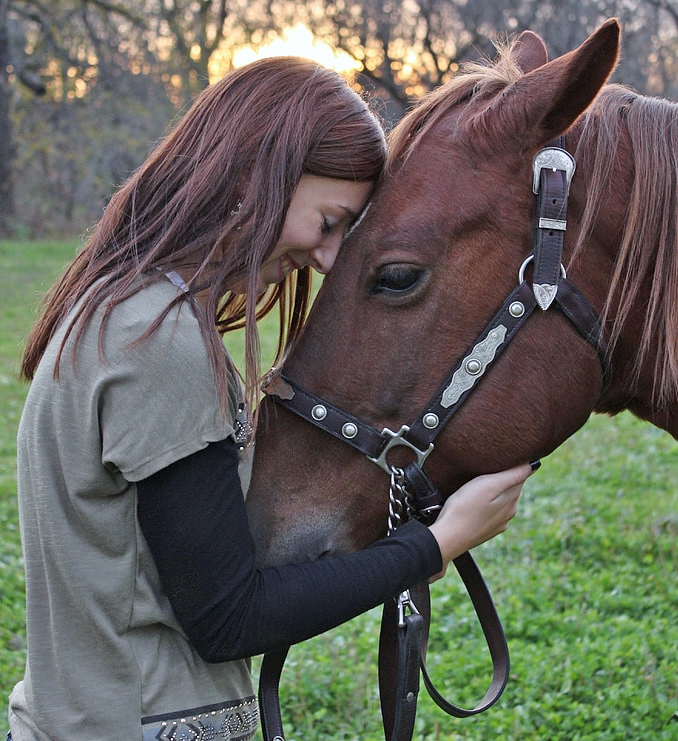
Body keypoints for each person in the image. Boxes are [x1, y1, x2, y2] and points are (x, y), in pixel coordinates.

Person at [8, 56, 535, 741]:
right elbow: (231, 617)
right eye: (329, 220)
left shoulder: (120, 309)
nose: (327, 258)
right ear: (255, 178)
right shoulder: (159, 344)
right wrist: (436, 542)